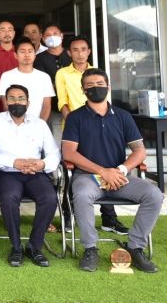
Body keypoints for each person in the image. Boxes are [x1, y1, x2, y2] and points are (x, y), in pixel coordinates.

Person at [62, 68, 164, 273]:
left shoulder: (123, 116)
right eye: (89, 85)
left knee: (154, 195)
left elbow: (139, 151)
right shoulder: (75, 117)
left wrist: (121, 169)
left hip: (119, 177)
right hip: (88, 177)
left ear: (108, 87)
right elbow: (69, 154)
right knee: (81, 195)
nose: (95, 88)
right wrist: (102, 171)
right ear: (83, 90)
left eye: (99, 84)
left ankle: (135, 248)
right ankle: (90, 249)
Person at [0, 84, 60, 268]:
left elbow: (54, 153)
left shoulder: (39, 124)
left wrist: (42, 164)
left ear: (28, 102)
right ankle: (16, 247)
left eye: (21, 98)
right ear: (6, 101)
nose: (17, 102)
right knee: (9, 198)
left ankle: (34, 247)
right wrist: (14, 163)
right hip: (7, 173)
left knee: (49, 198)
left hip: (35, 173)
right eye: (12, 98)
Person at [55, 36, 126, 235]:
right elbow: (62, 101)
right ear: (69, 53)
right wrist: (75, 122)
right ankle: (68, 216)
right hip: (75, 127)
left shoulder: (98, 72)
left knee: (107, 165)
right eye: (75, 50)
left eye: (83, 49)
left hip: (101, 124)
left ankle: (109, 219)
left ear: (89, 52)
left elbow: (105, 98)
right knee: (72, 171)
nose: (79, 53)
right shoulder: (62, 73)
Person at [0, 37, 55, 122]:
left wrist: (40, 125)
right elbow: (6, 104)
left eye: (30, 51)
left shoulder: (44, 77)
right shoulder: (6, 76)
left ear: (35, 55)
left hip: (38, 124)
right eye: (22, 52)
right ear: (15, 55)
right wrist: (16, 123)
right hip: (14, 125)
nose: (27, 55)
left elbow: (46, 105)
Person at [33, 24, 71, 135]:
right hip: (51, 105)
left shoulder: (71, 54)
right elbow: (42, 82)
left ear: (61, 36)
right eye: (48, 35)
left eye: (55, 34)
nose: (52, 37)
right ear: (43, 38)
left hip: (74, 103)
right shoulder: (39, 58)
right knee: (56, 135)